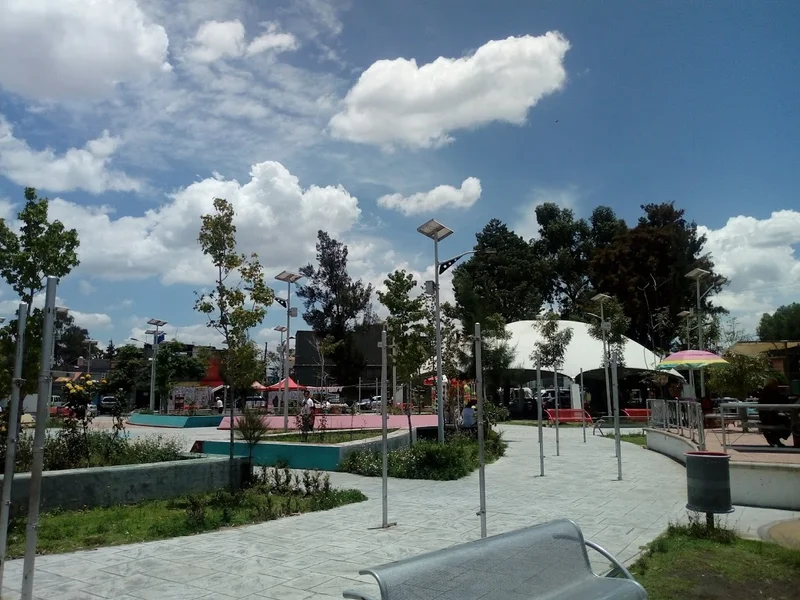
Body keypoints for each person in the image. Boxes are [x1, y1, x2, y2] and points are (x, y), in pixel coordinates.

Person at [758, 378, 791, 447]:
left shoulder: (765, 392)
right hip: (769, 417)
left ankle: (774, 438)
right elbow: (782, 400)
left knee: (788, 421)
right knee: (789, 423)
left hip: (767, 416)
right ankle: (774, 438)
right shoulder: (771, 393)